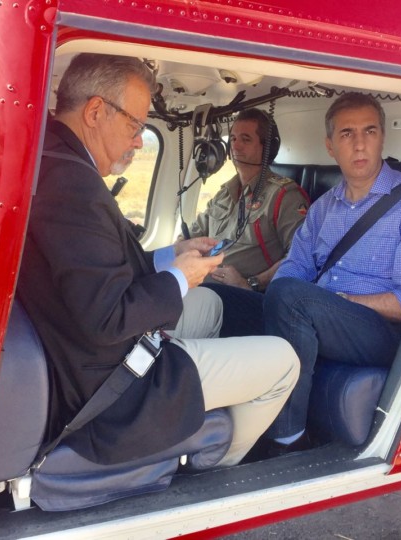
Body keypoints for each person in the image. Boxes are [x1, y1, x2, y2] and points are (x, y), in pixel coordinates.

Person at [16, 53, 299, 467]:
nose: (137, 141)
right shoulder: (73, 187)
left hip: (92, 350)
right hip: (112, 387)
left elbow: (99, 269)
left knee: (210, 303)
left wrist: (172, 256)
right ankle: (219, 472)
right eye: (135, 125)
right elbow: (109, 318)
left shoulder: (57, 163)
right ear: (94, 112)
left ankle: (195, 405)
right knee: (284, 360)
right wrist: (180, 277)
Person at [259, 92, 401, 454]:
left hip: (381, 330)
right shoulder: (324, 207)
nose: (360, 144)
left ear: (382, 137)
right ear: (330, 146)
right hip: (318, 313)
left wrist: (338, 301)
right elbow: (296, 267)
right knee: (225, 300)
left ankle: (288, 441)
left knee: (289, 299)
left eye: (369, 131)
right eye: (347, 134)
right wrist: (274, 299)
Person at [188, 108, 309, 292]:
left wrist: (251, 283)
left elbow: (300, 257)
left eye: (245, 139)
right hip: (199, 284)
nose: (235, 147)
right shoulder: (224, 193)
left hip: (241, 294)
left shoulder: (283, 196)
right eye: (233, 139)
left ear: (268, 148)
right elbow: (192, 236)